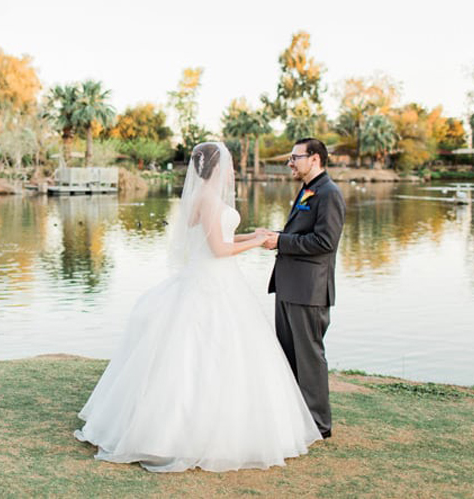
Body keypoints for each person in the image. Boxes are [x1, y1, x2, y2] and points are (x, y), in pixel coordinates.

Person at [74, 142, 322, 473]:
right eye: (229, 164)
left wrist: (253, 233)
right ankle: (181, 433)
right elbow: (219, 249)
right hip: (212, 279)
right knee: (203, 351)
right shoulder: (206, 198)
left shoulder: (203, 196)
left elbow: (217, 236)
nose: (232, 170)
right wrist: (256, 242)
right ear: (216, 167)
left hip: (216, 278)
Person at [259, 138, 346, 440]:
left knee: (309, 359)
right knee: (289, 356)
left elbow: (325, 242)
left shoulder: (329, 194)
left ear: (315, 159)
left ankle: (318, 425)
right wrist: (275, 236)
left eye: (295, 158)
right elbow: (300, 233)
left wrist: (281, 241)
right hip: (289, 286)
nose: (290, 163)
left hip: (309, 290)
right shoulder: (308, 189)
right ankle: (296, 420)